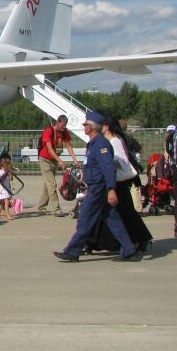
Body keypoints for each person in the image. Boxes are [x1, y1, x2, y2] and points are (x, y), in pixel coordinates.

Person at [54, 111, 136, 262]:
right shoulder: (94, 144)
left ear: (91, 127)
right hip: (96, 186)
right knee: (112, 219)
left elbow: (108, 168)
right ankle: (128, 249)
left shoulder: (101, 145)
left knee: (85, 218)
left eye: (85, 124)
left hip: (99, 188)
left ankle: (72, 251)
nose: (84, 126)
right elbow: (94, 165)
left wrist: (111, 189)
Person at [89, 118, 152, 253]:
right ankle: (93, 242)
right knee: (108, 214)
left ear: (106, 127)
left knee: (125, 213)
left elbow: (121, 161)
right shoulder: (107, 141)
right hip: (111, 181)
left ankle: (142, 239)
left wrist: (105, 163)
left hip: (118, 182)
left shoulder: (114, 141)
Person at [35, 115, 77, 216]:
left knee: (48, 185)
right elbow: (49, 148)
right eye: (63, 125)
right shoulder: (49, 131)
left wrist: (75, 160)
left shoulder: (64, 131)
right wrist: (60, 161)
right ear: (58, 122)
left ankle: (41, 207)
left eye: (65, 125)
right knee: (52, 185)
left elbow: (68, 145)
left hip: (54, 160)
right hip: (45, 160)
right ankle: (56, 209)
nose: (64, 128)